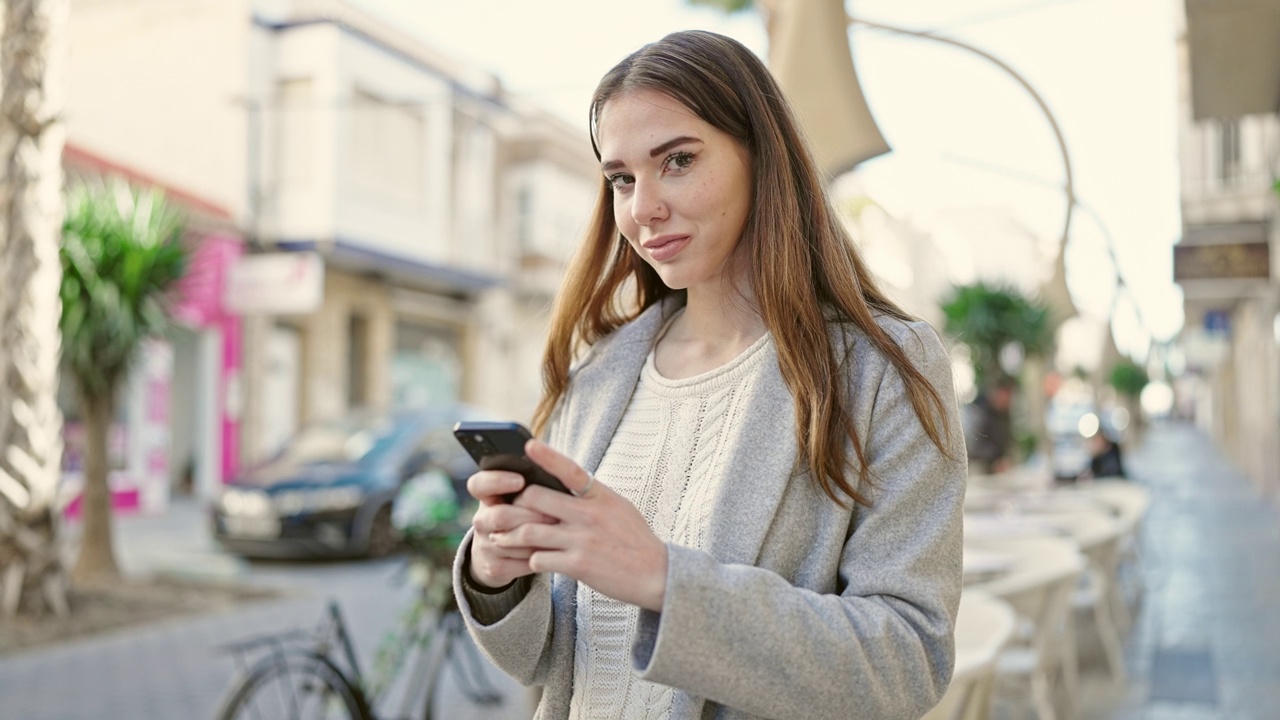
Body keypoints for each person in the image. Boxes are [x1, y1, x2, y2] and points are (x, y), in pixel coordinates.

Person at [452, 30, 967, 720]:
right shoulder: (599, 374)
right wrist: (499, 578)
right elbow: (555, 665)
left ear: (763, 158)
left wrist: (666, 581)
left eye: (680, 161)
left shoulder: (881, 373)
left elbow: (907, 661)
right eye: (621, 179)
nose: (642, 208)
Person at [965, 377, 1015, 476]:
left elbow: (1006, 443)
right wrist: (994, 461)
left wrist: (1004, 459)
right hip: (981, 468)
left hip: (998, 470)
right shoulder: (981, 413)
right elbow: (974, 446)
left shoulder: (1005, 416)